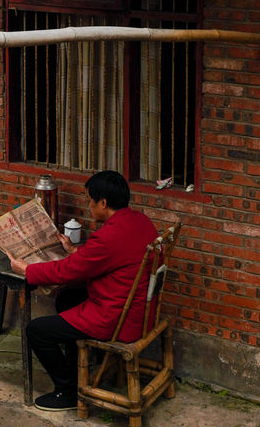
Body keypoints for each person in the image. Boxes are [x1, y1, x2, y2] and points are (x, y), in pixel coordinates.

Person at [10, 170, 158, 411]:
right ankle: (79, 368)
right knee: (67, 298)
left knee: (36, 331)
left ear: (103, 202)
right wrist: (75, 251)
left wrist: (27, 269)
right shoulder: (140, 221)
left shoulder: (108, 236)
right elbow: (111, 258)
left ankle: (67, 391)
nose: (89, 206)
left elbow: (67, 272)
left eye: (90, 200)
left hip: (117, 317)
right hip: (137, 308)